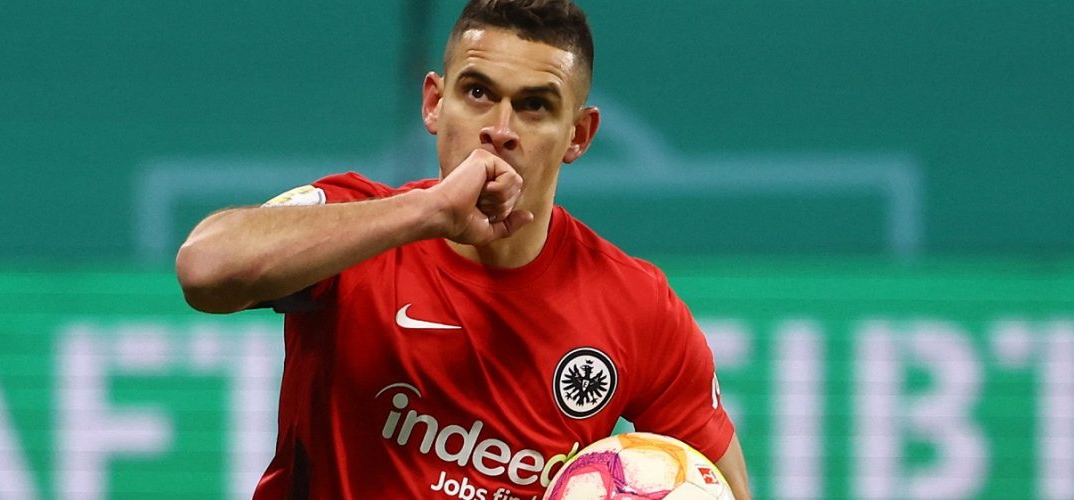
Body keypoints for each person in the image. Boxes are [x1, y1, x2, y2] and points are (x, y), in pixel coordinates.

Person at [176, 1, 752, 498]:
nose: (500, 128)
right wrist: (428, 214)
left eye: (535, 105)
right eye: (477, 92)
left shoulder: (637, 307)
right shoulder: (355, 225)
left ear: (577, 135)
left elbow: (720, 487)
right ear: (434, 102)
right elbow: (203, 269)